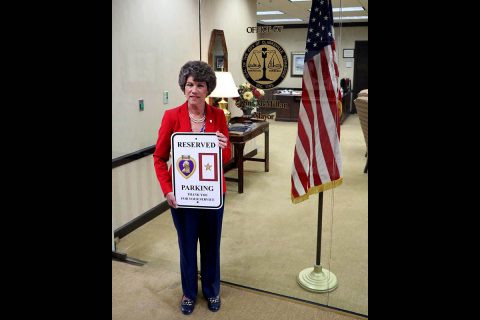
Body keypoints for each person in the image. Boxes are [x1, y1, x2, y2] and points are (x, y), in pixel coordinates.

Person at [153, 60, 231, 315]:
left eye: (199, 84)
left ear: (207, 89)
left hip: (211, 196)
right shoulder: (171, 116)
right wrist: (167, 189)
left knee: (211, 245)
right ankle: (188, 293)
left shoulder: (219, 115)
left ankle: (211, 290)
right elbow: (159, 157)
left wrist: (224, 146)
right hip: (183, 198)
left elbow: (226, 158)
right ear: (183, 87)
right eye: (189, 84)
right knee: (187, 246)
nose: (194, 89)